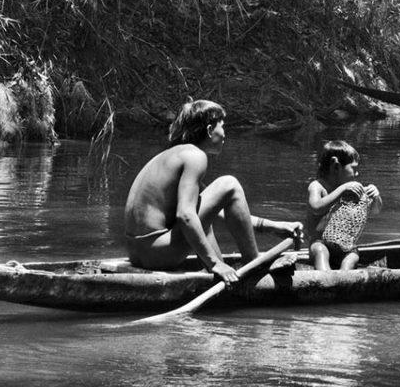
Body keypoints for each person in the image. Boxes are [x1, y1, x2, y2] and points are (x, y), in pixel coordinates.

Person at [123, 99, 303, 282]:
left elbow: (213, 211)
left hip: (138, 254)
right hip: (158, 254)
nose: (225, 134)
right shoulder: (195, 156)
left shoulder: (173, 155)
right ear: (209, 130)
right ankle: (254, 264)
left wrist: (274, 226)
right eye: (222, 127)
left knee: (203, 219)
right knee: (229, 184)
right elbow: (185, 215)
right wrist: (214, 263)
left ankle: (217, 274)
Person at [305, 140, 383, 271]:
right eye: (354, 168)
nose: (357, 174)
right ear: (336, 166)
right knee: (320, 251)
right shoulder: (317, 186)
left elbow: (375, 211)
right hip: (319, 243)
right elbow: (316, 208)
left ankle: (343, 282)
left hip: (345, 246)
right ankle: (326, 282)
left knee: (353, 257)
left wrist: (376, 196)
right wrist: (342, 190)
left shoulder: (352, 191)